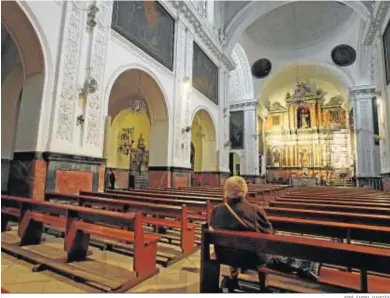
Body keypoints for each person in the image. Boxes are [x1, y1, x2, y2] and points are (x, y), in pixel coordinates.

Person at [210, 176, 319, 292]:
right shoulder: (254, 211)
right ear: (245, 191)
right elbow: (268, 234)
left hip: (224, 255)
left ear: (226, 191)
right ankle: (264, 287)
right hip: (252, 259)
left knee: (237, 245)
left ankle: (233, 277)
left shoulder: (216, 211)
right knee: (267, 250)